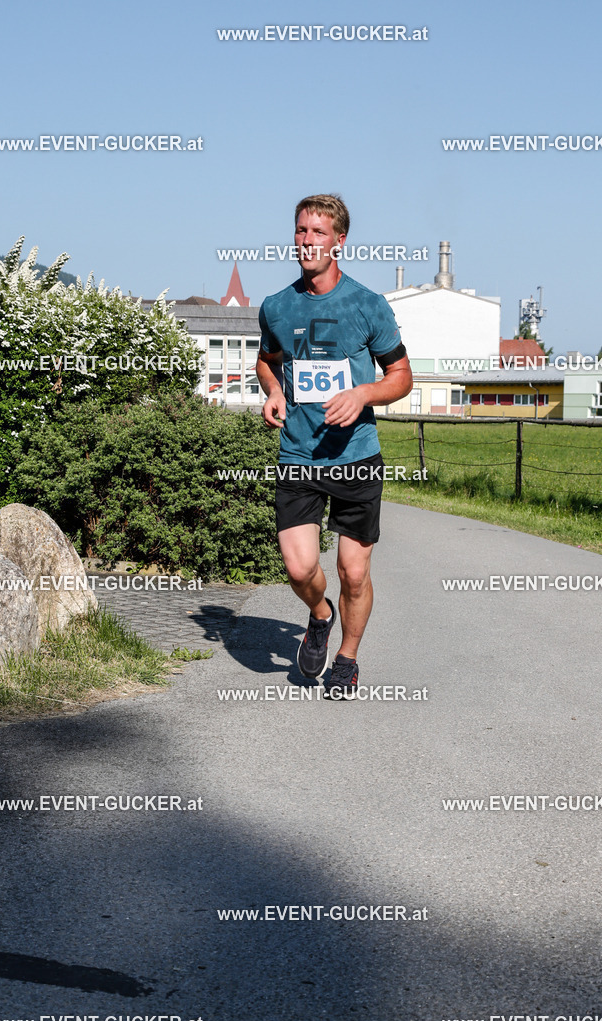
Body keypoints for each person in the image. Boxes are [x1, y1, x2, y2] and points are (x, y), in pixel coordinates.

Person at [256, 194, 413, 700]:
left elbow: (402, 376)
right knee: (300, 568)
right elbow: (267, 361)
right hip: (299, 453)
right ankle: (320, 617)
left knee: (353, 570)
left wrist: (364, 393)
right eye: (301, 231)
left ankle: (347, 658)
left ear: (339, 240)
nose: (307, 241)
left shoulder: (368, 305)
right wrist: (275, 390)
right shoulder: (276, 306)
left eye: (318, 233)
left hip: (355, 457)